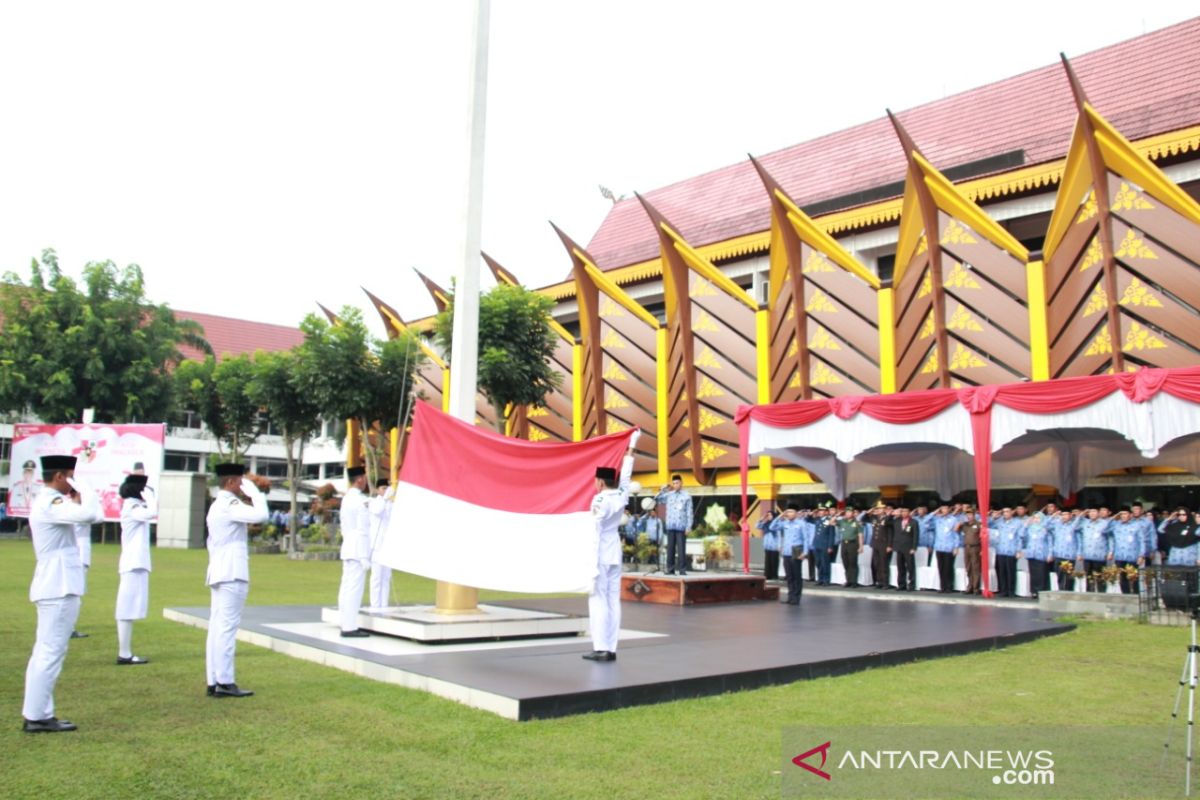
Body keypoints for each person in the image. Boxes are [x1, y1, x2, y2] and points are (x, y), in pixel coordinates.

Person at [22, 455, 103, 733]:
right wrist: (87, 489)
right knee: (50, 651)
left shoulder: (54, 503)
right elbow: (90, 513)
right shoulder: (51, 502)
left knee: (46, 651)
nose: (73, 482)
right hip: (58, 585)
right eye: (71, 476)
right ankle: (37, 716)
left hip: (56, 584)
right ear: (60, 477)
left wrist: (81, 494)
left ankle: (39, 712)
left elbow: (95, 516)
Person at [205, 463, 268, 698]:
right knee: (226, 627)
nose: (243, 486)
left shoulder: (217, 505)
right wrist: (256, 494)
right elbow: (261, 515)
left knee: (217, 626)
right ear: (231, 482)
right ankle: (225, 680)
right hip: (232, 572)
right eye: (241, 481)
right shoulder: (229, 504)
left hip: (221, 570)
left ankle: (214, 680)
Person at [583, 431, 638, 661]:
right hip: (614, 550)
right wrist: (631, 448)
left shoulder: (600, 499)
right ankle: (611, 647)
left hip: (601, 553)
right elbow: (626, 478)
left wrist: (589, 557)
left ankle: (601, 646)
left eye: (596, 481)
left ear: (601, 482)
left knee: (598, 599)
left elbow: (594, 528)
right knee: (613, 599)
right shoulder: (622, 495)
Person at [116, 475, 156, 665]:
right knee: (126, 609)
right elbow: (152, 512)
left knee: (130, 609)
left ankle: (125, 652)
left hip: (136, 563)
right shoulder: (133, 507)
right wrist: (150, 498)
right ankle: (124, 654)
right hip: (133, 564)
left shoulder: (134, 506)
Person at [337, 466, 372, 637]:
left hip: (348, 545)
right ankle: (349, 627)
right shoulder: (360, 500)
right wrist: (365, 555)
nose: (365, 481)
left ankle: (345, 622)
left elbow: (345, 526)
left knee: (346, 587)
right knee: (354, 589)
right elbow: (363, 529)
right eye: (364, 478)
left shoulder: (346, 499)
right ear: (359, 479)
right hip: (358, 548)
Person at [770, 504, 809, 605]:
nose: (789, 514)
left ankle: (796, 597)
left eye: (791, 512)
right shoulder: (785, 523)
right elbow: (772, 527)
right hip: (787, 551)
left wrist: (805, 552)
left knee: (796, 575)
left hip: (796, 549)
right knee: (789, 576)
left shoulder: (801, 523)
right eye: (787, 512)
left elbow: (806, 538)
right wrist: (779, 516)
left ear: (796, 513)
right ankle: (790, 597)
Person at [655, 474, 693, 576]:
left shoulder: (687, 496)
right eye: (674, 483)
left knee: (681, 549)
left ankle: (682, 570)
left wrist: (688, 526)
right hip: (670, 525)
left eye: (677, 483)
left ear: (681, 483)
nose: (675, 485)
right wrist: (664, 488)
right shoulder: (669, 495)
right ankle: (670, 569)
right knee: (670, 549)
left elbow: (689, 512)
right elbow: (657, 499)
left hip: (681, 526)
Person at [367, 478, 395, 609]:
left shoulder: (390, 504)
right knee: (376, 577)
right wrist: (384, 499)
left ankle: (384, 605)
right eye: (383, 488)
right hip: (377, 546)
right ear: (378, 490)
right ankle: (375, 605)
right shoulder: (374, 502)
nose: (385, 491)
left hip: (388, 545)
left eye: (386, 488)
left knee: (386, 577)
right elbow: (378, 511)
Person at [70, 499, 92, 639]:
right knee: (75, 593)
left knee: (74, 593)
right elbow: (96, 515)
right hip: (79, 553)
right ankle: (70, 627)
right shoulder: (76, 511)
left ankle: (69, 626)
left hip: (77, 552)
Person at [1018, 512, 1054, 598]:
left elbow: (1050, 542)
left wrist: (1050, 554)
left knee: (1041, 573)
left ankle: (1042, 591)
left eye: (1038, 518)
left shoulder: (1045, 528)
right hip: (1031, 553)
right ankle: (1034, 591)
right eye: (1035, 518)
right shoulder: (1030, 528)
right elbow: (1021, 535)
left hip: (1041, 553)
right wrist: (1026, 524)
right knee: (1033, 574)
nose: (1036, 520)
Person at [1079, 508, 1114, 592]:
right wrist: (1081, 515)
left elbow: (1110, 538)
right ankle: (1089, 595)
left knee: (1100, 577)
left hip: (1100, 555)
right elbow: (1074, 527)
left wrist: (1110, 551)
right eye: (1090, 512)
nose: (1092, 514)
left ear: (1098, 513)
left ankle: (1101, 595)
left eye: (1094, 512)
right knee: (1088, 577)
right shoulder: (1084, 523)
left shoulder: (1105, 523)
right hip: (1087, 555)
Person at [991, 508, 1022, 598]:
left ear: (1012, 512)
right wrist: (993, 517)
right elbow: (987, 525)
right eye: (1004, 512)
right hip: (1001, 550)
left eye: (1007, 512)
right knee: (1002, 572)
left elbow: (1019, 538)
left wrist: (1018, 550)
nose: (1005, 513)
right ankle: (1003, 590)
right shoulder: (999, 522)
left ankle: (1011, 590)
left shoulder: (1017, 522)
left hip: (1011, 550)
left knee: (1010, 572)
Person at [1048, 510, 1081, 590]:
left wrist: (1079, 553)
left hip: (1070, 554)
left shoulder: (1074, 525)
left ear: (1070, 516)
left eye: (1066, 514)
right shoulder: (1057, 525)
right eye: (1062, 515)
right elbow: (1045, 525)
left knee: (1069, 576)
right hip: (1058, 554)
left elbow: (1079, 541)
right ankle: (1061, 590)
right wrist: (1052, 516)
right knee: (1059, 575)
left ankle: (1069, 591)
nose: (1064, 516)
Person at [932, 505, 962, 593]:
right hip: (939, 546)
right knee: (941, 567)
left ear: (949, 509)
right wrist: (935, 511)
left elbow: (956, 534)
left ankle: (949, 586)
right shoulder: (937, 519)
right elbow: (926, 520)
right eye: (942, 509)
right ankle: (942, 586)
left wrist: (956, 547)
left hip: (949, 547)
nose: (944, 510)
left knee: (948, 567)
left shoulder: (953, 519)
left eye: (946, 508)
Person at [957, 508, 983, 595]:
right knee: (968, 568)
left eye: (970, 514)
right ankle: (970, 586)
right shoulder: (965, 525)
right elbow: (955, 530)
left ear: (974, 515)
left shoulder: (979, 524)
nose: (969, 516)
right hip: (966, 547)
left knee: (975, 568)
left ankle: (976, 588)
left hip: (975, 547)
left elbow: (983, 537)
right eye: (967, 515)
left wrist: (982, 549)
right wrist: (959, 524)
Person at [892, 507, 919, 591]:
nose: (904, 513)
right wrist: (894, 513)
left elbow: (916, 536)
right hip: (899, 547)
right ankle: (901, 584)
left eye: (905, 511)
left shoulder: (913, 522)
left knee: (910, 567)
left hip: (908, 547)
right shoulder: (897, 521)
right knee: (900, 567)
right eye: (902, 511)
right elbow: (887, 521)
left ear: (909, 512)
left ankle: (911, 585)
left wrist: (914, 547)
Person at [836, 508, 864, 587]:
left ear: (853, 513)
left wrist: (861, 546)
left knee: (853, 563)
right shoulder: (842, 521)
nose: (848, 514)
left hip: (853, 543)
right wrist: (837, 515)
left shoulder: (857, 522)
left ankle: (854, 581)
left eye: (850, 512)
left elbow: (860, 535)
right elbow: (831, 522)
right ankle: (848, 580)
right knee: (845, 562)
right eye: (847, 512)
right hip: (844, 543)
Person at [811, 509, 837, 586]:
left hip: (825, 545)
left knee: (825, 562)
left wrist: (830, 546)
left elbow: (831, 535)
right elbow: (809, 519)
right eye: (819, 511)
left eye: (822, 511)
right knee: (818, 562)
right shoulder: (818, 520)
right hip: (817, 544)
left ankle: (826, 580)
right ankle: (820, 579)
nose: (820, 513)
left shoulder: (828, 520)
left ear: (826, 512)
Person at [757, 508, 780, 580]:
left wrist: (779, 545)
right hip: (767, 545)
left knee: (774, 561)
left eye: (770, 515)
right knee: (767, 561)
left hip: (774, 545)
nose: (769, 516)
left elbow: (778, 534)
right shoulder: (765, 523)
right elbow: (757, 526)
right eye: (768, 515)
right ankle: (767, 574)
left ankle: (774, 575)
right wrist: (762, 519)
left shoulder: (776, 524)